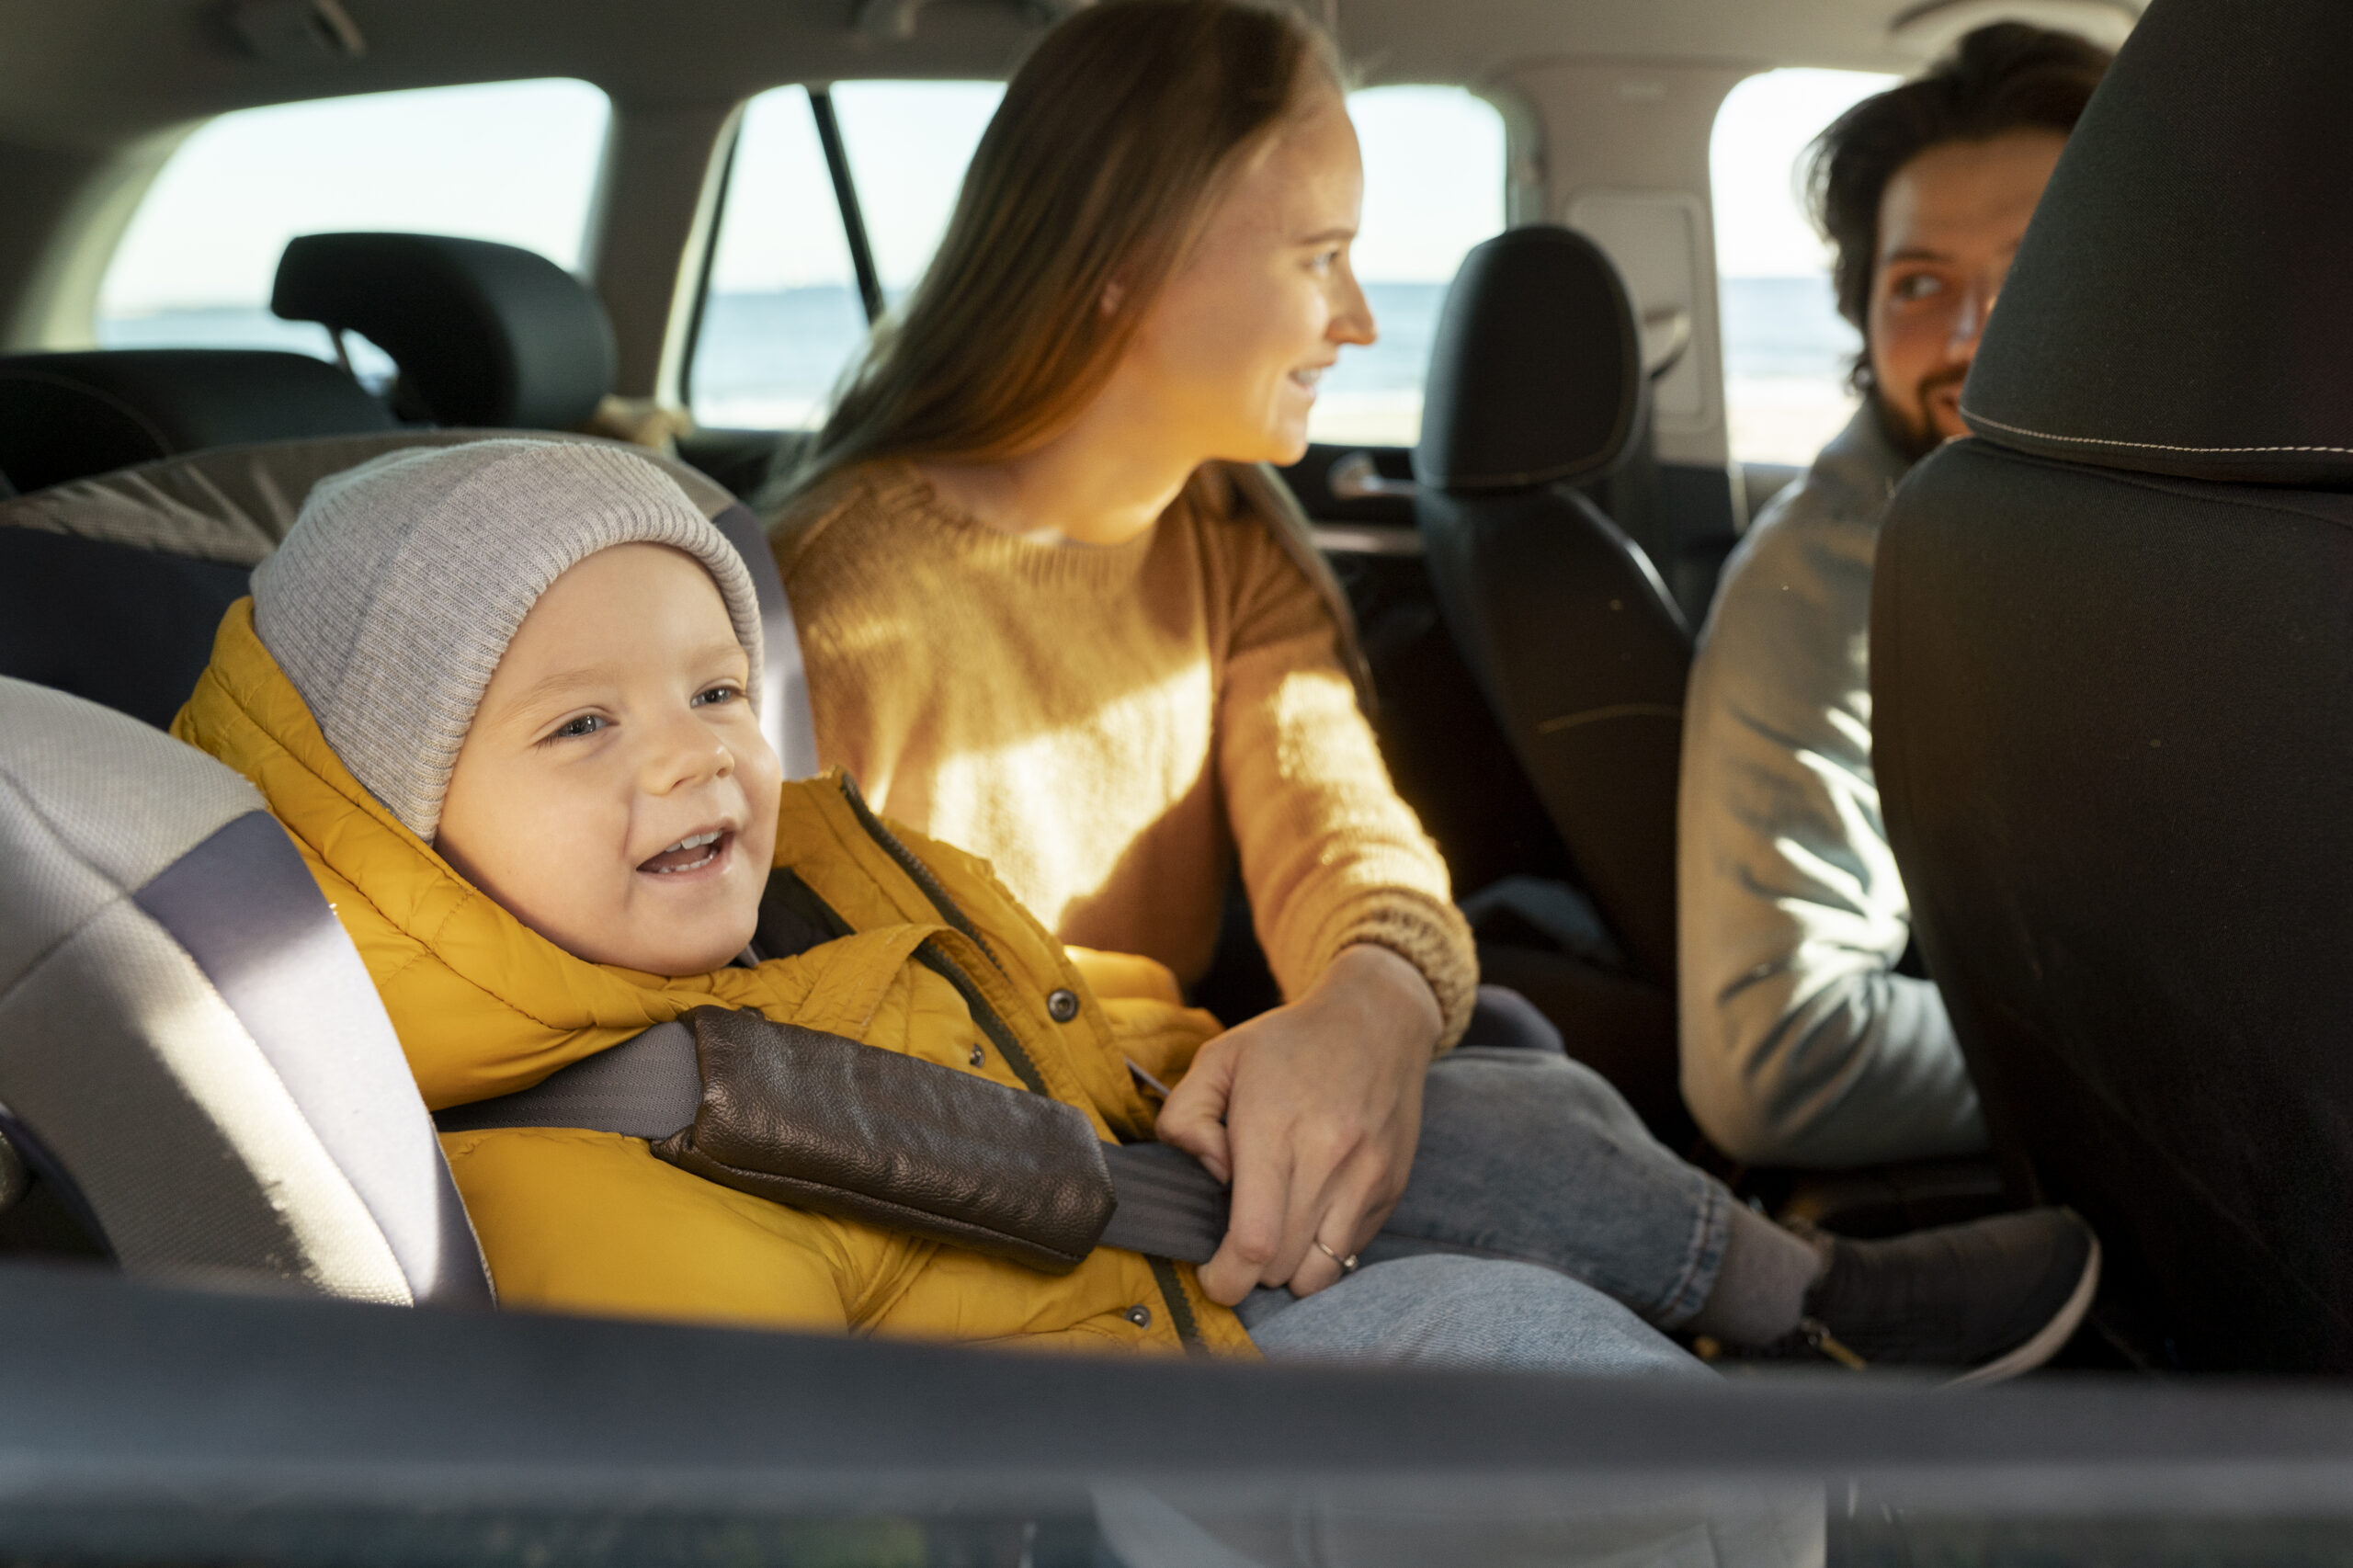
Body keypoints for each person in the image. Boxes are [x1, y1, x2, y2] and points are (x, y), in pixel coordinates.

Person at [174, 437, 2096, 1376]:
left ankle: (1793, 1326)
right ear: (396, 808)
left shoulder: (829, 871)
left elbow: (1046, 999)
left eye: (707, 692)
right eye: (579, 725)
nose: (689, 761)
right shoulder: (576, 1160)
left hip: (1140, 1220)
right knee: (1515, 1345)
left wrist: (1252, 1043)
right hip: (1124, 1426)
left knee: (1509, 1081)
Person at [766, 0, 1484, 1312]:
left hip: (1179, 1127)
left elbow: (1339, 827)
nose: (1362, 319)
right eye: (1320, 256)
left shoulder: (1226, 538)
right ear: (1126, 259)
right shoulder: (832, 610)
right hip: (1018, 1217)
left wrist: (1378, 994)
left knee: (1531, 1105)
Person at [1677, 24, 2112, 1169]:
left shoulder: (2104, 530)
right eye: (1921, 283)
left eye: (2036, 270)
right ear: (1862, 319)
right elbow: (1777, 1056)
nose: (1976, 337)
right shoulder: (1832, 585)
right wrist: (2181, 1056)